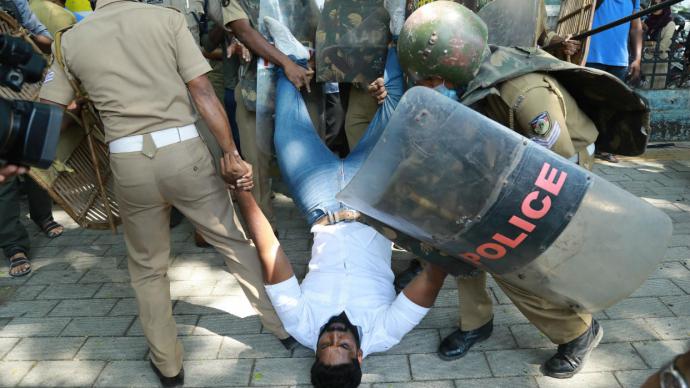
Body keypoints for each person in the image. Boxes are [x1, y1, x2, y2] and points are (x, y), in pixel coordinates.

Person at [38, 1, 293, 385]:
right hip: (184, 152)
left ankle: (169, 367)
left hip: (128, 163)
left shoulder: (70, 41)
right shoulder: (167, 20)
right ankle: (282, 329)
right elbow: (203, 91)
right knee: (232, 241)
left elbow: (48, 112)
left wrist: (18, 162)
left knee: (147, 267)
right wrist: (230, 153)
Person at [386, 2, 645, 379]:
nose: (424, 88)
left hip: (563, 170)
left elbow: (559, 172)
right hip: (510, 158)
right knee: (456, 224)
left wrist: (501, 211)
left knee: (507, 253)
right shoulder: (470, 80)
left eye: (427, 80)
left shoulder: (523, 94)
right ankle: (476, 322)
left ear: (452, 64)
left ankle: (577, 332)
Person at [233, 17, 447, 388]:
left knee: (287, 119)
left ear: (314, 351)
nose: (333, 334)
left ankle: (292, 53)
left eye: (325, 343)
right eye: (343, 344)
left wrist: (242, 192)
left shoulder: (301, 326)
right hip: (372, 201)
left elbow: (270, 254)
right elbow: (432, 277)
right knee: (394, 107)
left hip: (319, 201)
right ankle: (395, 34)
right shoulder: (386, 331)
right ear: (360, 355)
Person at [221, 0, 315, 232]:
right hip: (255, 89)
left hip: (304, 84)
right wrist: (287, 63)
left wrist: (311, 60)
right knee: (255, 163)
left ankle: (320, 224)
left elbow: (323, 26)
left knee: (310, 160)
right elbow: (243, 30)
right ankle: (264, 232)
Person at [586, 0, 643, 163]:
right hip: (590, 57)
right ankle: (584, 144)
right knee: (588, 103)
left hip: (618, 61)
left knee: (612, 106)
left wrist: (637, 59)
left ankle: (604, 147)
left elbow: (635, 28)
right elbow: (588, 9)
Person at [642, 0, 677, 88]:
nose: (656, 6)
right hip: (644, 62)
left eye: (659, 4)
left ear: (665, 6)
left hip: (658, 64)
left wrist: (647, 45)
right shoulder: (647, 21)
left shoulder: (670, 24)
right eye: (654, 3)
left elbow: (663, 46)